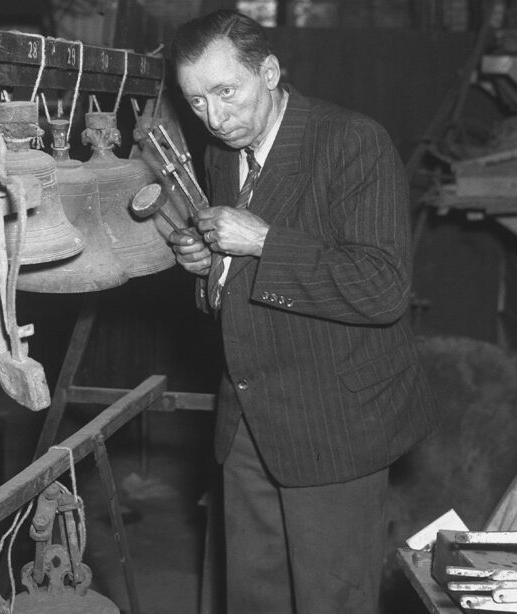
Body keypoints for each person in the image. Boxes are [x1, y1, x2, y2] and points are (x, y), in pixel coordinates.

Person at [167, 10, 438, 613]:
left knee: (329, 601)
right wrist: (209, 265)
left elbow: (383, 287)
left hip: (335, 422)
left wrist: (262, 241)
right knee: (253, 600)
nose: (214, 117)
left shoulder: (351, 142)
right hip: (247, 419)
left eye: (226, 91)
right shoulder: (222, 154)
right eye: (196, 101)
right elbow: (237, 275)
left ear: (269, 72)